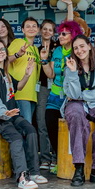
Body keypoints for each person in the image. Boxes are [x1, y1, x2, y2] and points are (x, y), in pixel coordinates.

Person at [0, 40, 48, 189]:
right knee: (16, 137)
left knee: (31, 130)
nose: (0, 52)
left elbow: (18, 86)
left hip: (13, 115)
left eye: (2, 49)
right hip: (0, 119)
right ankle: (22, 176)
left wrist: (27, 74)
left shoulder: (6, 73)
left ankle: (34, 172)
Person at [63, 35, 95, 187]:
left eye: (82, 46)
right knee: (75, 115)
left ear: (89, 46)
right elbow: (72, 94)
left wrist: (82, 95)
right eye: (76, 48)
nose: (79, 50)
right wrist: (73, 72)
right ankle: (79, 168)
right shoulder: (69, 67)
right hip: (75, 104)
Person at [40, 19, 84, 174]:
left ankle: (75, 160)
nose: (60, 36)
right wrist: (44, 60)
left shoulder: (78, 50)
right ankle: (59, 157)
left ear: (73, 34)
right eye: (59, 34)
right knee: (50, 121)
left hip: (71, 96)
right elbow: (51, 74)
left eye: (64, 34)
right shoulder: (57, 51)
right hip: (55, 94)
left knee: (72, 126)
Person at [7, 17, 40, 124]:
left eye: (34, 26)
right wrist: (18, 54)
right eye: (28, 26)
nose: (31, 28)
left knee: (27, 125)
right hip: (20, 92)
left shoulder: (36, 49)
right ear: (23, 30)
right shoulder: (18, 42)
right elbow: (5, 60)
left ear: (38, 30)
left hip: (32, 94)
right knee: (26, 125)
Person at [36, 19, 58, 170]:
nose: (47, 32)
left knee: (56, 123)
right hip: (42, 88)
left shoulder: (58, 48)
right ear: (40, 31)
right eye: (44, 29)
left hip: (57, 89)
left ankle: (56, 156)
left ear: (54, 33)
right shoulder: (35, 49)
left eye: (50, 29)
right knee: (41, 122)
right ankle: (45, 157)